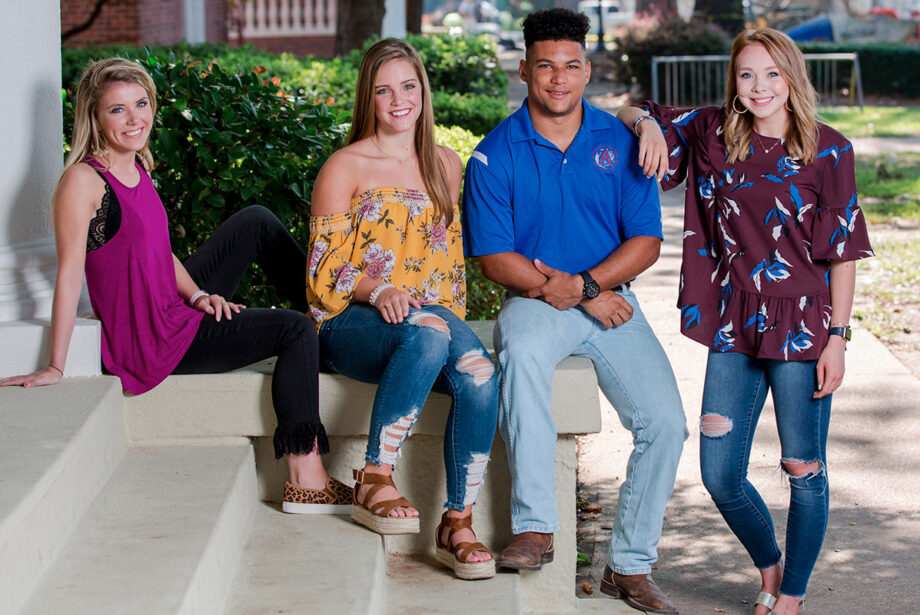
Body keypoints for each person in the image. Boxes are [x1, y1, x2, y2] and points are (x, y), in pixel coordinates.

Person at [0, 58, 350, 515]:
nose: (134, 119)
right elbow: (69, 274)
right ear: (94, 117)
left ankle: (334, 319)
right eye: (117, 110)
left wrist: (200, 295)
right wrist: (55, 365)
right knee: (293, 331)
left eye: (140, 104)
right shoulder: (84, 182)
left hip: (172, 305)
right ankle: (307, 478)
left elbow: (160, 253)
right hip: (154, 339)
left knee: (257, 222)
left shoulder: (135, 168)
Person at [617, 28, 873, 615]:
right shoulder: (711, 133)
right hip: (735, 321)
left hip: (806, 325)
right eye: (746, 75)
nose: (758, 88)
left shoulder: (829, 150)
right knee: (718, 472)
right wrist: (649, 124)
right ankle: (770, 565)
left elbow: (841, 254)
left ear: (793, 78)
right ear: (733, 81)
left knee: (802, 467)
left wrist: (837, 338)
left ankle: (792, 595)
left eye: (772, 74)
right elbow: (630, 110)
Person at [462, 8, 687, 613]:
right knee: (524, 357)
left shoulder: (621, 142)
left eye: (570, 67)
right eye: (545, 67)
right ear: (525, 69)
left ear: (587, 70)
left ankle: (630, 566)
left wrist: (586, 287)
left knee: (665, 423)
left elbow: (645, 242)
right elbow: (493, 258)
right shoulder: (494, 153)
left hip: (610, 302)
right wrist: (563, 289)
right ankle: (536, 527)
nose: (558, 79)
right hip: (535, 302)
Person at [306, 38, 498, 581]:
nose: (399, 100)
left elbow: (448, 269)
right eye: (385, 89)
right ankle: (373, 478)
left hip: (428, 321)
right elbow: (322, 275)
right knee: (431, 333)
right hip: (351, 324)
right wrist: (376, 289)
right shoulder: (344, 167)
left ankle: (456, 522)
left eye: (409, 86)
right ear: (369, 96)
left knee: (481, 372)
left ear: (423, 92)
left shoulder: (444, 164)